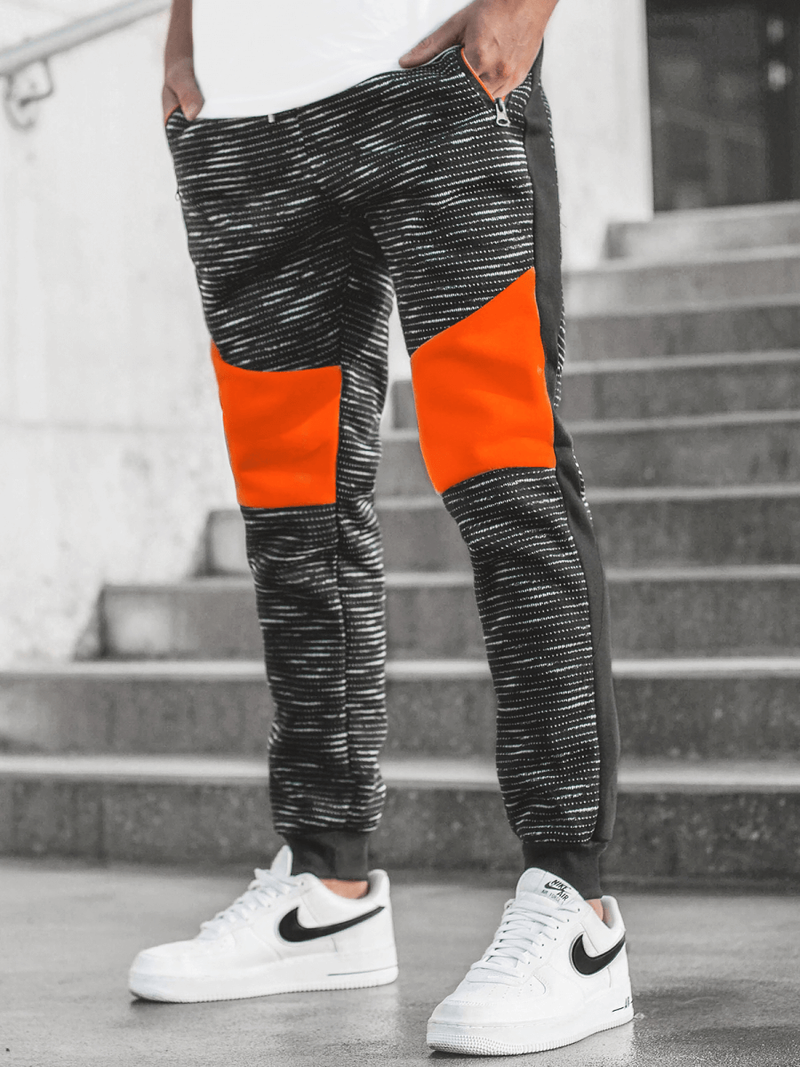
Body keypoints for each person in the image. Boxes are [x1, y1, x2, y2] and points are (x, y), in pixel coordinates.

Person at [128, 0, 634, 1053]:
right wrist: (185, 35)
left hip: (432, 78)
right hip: (241, 121)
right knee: (293, 515)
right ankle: (327, 889)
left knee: (507, 481)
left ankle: (575, 907)